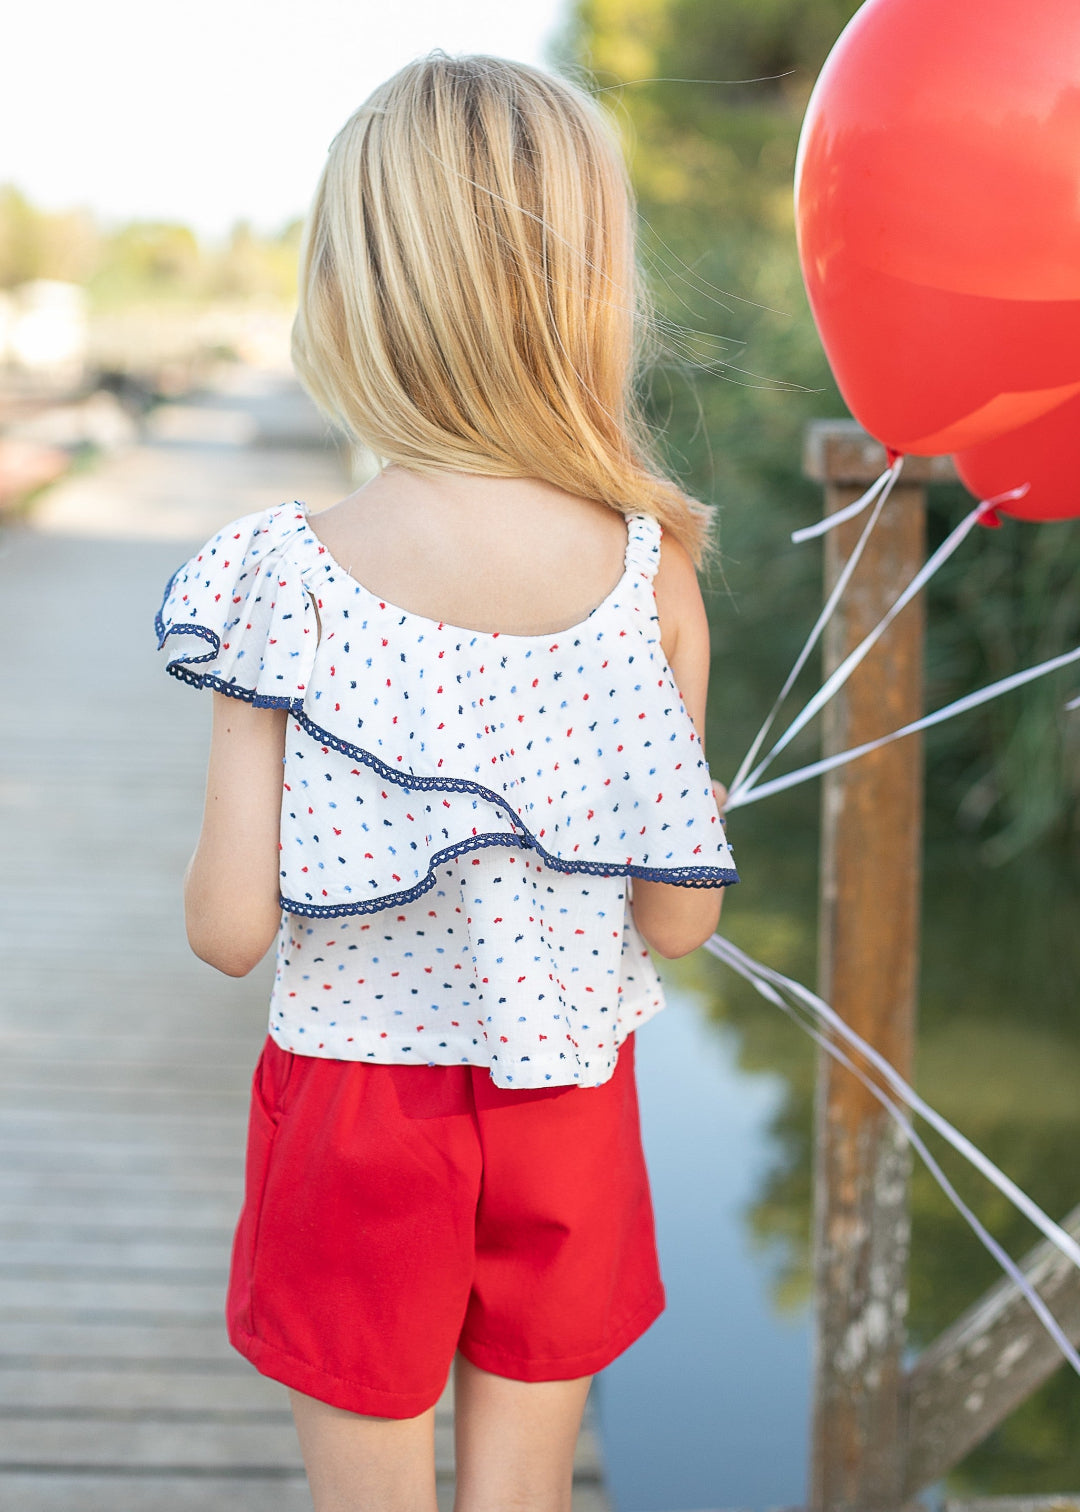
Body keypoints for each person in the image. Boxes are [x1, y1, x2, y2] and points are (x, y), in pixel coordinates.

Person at [154, 51, 738, 1512]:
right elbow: (676, 923)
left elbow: (229, 929)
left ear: (353, 295)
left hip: (358, 1118)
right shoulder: (647, 574)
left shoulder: (278, 577)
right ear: (589, 290)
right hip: (568, 1103)